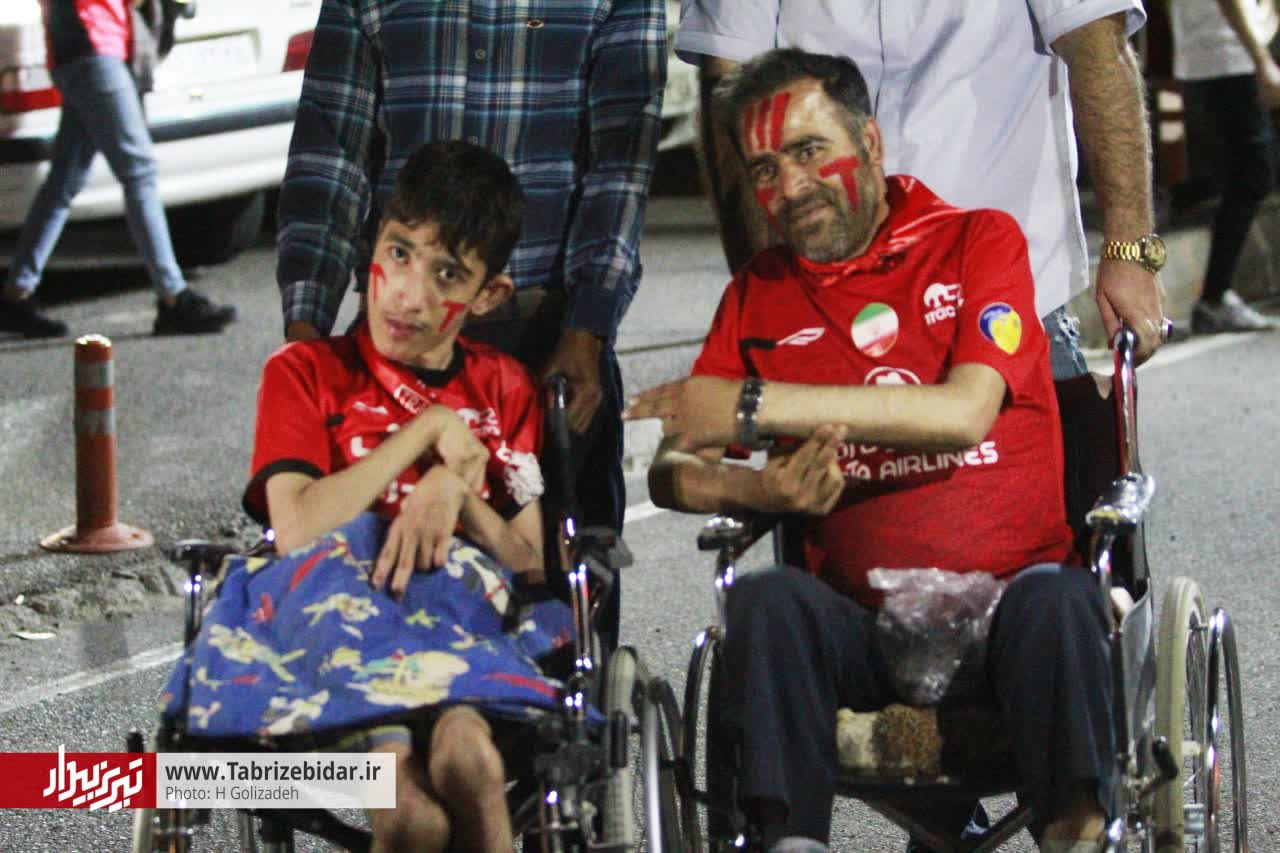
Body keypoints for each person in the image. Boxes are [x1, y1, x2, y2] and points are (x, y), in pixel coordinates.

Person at [624, 50, 1114, 853]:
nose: (790, 186)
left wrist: (756, 404)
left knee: (1061, 603)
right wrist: (764, 493)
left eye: (810, 150)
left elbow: (965, 413)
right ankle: (792, 842)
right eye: (765, 169)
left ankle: (1076, 833)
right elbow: (672, 471)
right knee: (765, 601)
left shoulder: (977, 240)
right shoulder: (758, 293)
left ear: (872, 143)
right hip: (864, 627)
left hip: (1011, 615)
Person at [162, 141, 569, 853]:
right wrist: (426, 433)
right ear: (372, 248)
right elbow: (296, 527)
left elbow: (530, 564)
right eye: (399, 253)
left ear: (488, 295)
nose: (408, 294)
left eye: (447, 273)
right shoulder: (306, 372)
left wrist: (453, 492)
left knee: (471, 762)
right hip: (335, 624)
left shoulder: (504, 388)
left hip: (459, 623)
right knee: (410, 816)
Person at [275, 0, 667, 650]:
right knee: (377, 593)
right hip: (397, 339)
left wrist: (588, 328)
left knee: (561, 599)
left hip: (544, 337)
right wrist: (307, 338)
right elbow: (330, 155)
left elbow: (620, 166)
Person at [676, 0, 1170, 374]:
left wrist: (1130, 249)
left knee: (1045, 479)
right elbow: (731, 99)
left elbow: (1099, 49)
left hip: (1012, 299)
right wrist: (760, 289)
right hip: (830, 303)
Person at [0, 0, 236, 339]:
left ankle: (16, 294)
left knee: (64, 180)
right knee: (139, 170)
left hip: (88, 46)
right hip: (92, 46)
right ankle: (173, 297)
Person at [1169, 0, 1280, 332]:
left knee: (1240, 173)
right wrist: (1261, 60)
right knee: (1254, 173)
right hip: (1229, 58)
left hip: (1211, 56)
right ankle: (1214, 298)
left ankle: (1216, 296)